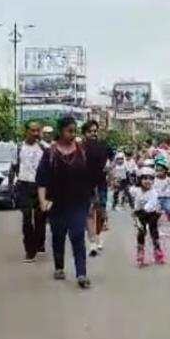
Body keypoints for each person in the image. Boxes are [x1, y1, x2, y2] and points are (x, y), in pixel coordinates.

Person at [36, 116, 99, 289]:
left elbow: (90, 176)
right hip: (56, 203)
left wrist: (93, 198)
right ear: (61, 131)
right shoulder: (50, 153)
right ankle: (59, 266)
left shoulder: (82, 151)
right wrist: (43, 201)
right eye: (69, 131)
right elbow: (41, 179)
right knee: (58, 235)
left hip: (79, 201)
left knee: (78, 235)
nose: (72, 134)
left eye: (74, 131)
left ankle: (81, 274)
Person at [15, 121, 47, 262]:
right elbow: (14, 166)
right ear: (26, 131)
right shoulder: (18, 147)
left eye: (37, 131)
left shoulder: (44, 147)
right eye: (32, 130)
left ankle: (39, 242)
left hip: (40, 186)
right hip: (24, 185)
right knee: (27, 217)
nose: (35, 134)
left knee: (40, 218)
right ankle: (29, 250)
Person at [81, 121, 109, 257]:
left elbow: (109, 163)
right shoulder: (80, 148)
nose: (93, 133)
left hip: (101, 183)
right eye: (90, 131)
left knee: (101, 212)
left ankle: (98, 235)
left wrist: (110, 171)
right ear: (85, 133)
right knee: (89, 213)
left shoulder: (103, 146)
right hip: (86, 184)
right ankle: (92, 242)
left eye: (95, 131)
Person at [129, 166, 166, 267]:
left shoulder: (154, 193)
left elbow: (151, 204)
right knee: (142, 232)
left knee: (153, 231)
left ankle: (157, 250)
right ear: (140, 180)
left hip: (151, 213)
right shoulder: (136, 190)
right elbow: (129, 192)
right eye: (145, 178)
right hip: (139, 214)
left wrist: (144, 210)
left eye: (150, 179)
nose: (147, 181)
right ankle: (140, 251)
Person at [154, 157, 170, 237]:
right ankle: (155, 229)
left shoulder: (169, 180)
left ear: (165, 170)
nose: (159, 172)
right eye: (157, 170)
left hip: (167, 199)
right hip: (157, 200)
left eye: (161, 170)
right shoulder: (154, 180)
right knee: (156, 216)